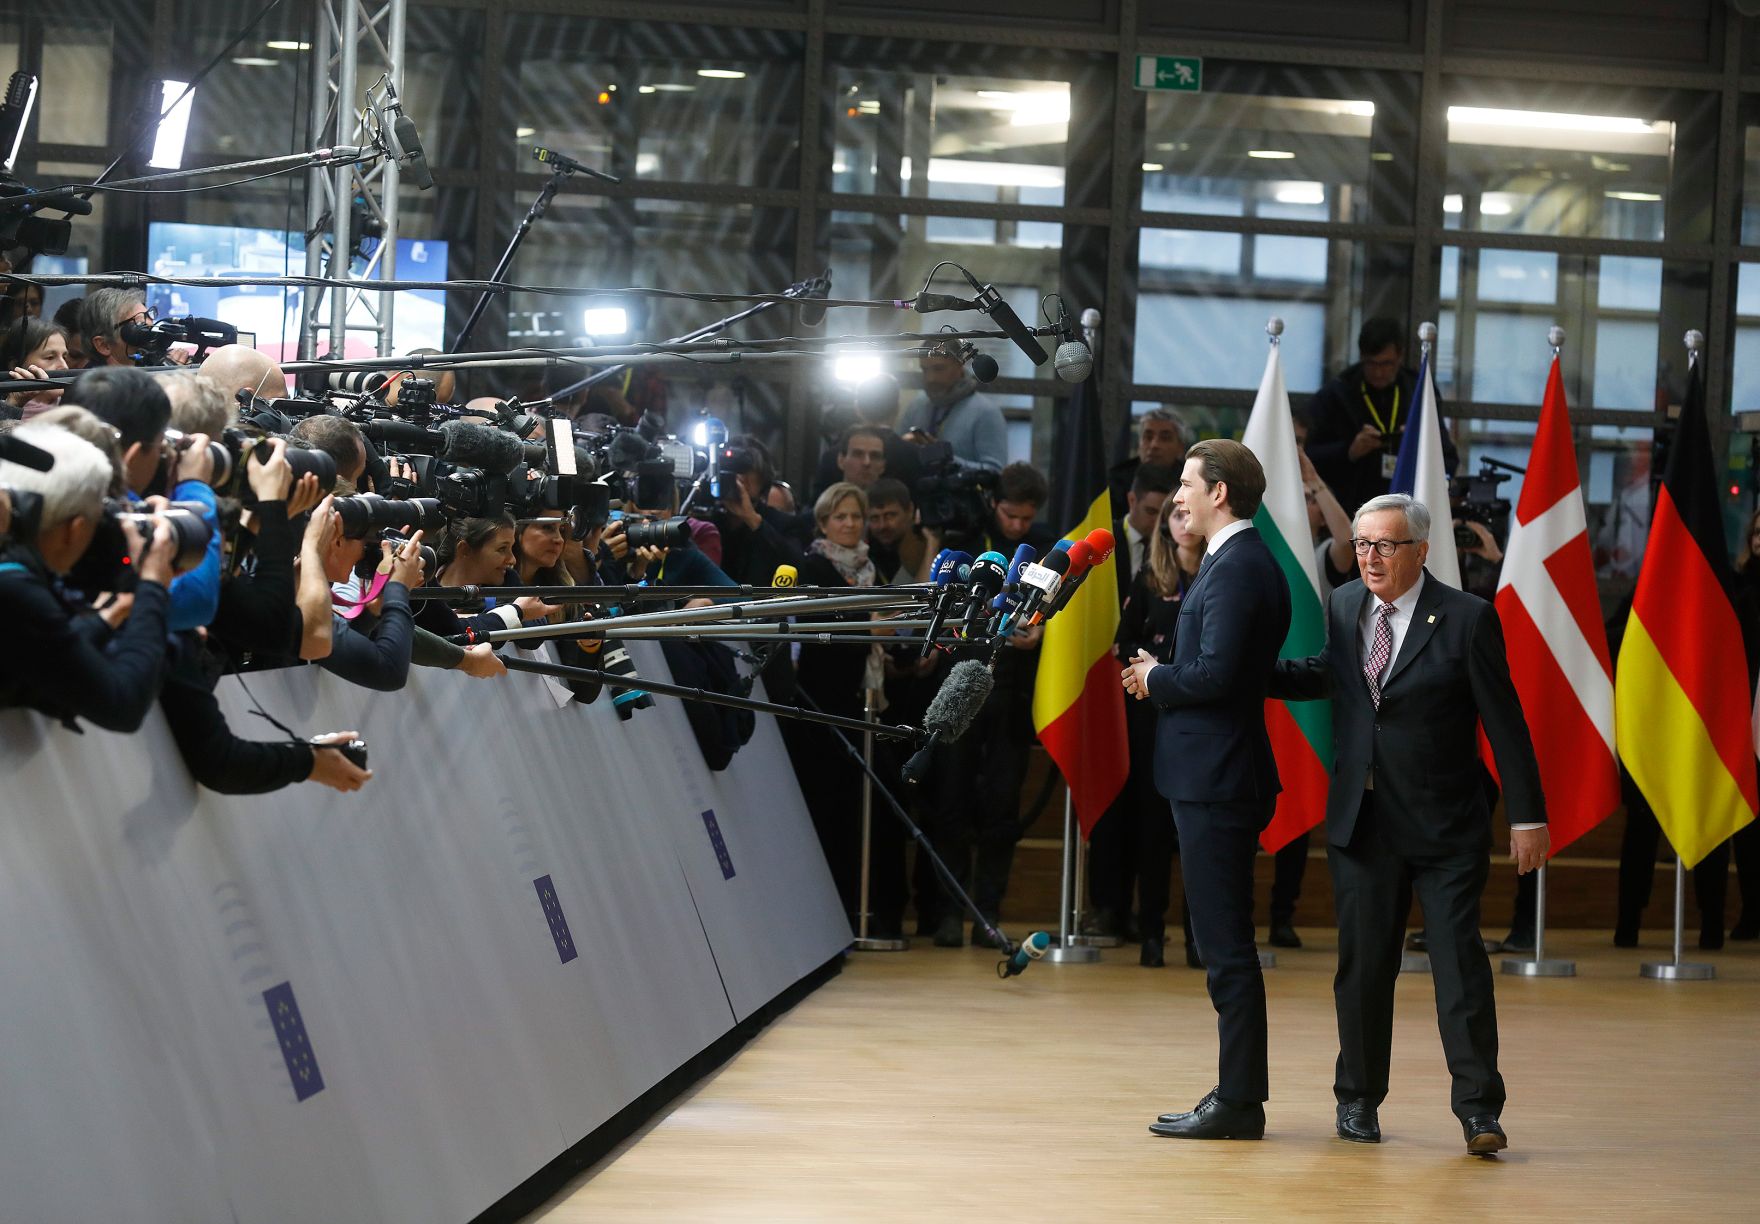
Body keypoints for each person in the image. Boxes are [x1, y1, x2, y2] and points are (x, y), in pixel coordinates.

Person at [1266, 492, 1546, 1155]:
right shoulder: (1342, 605)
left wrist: (1528, 816)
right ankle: (1357, 1102)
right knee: (1362, 972)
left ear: (1420, 550)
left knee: (1459, 969)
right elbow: (1329, 678)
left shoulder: (1469, 618)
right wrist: (1244, 672)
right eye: (1362, 544)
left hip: (1446, 826)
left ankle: (1479, 1111)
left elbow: (1505, 725)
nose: (1369, 557)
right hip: (1363, 826)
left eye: (1385, 545)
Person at [1121, 438, 1290, 1141]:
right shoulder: (1233, 563)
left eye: (1188, 483)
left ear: (1220, 492)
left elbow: (1217, 677)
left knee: (1225, 949)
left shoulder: (1237, 567)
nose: (1177, 496)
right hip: (1214, 775)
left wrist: (1155, 677)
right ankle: (1237, 1094)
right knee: (1221, 944)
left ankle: (1240, 1103)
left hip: (1220, 779)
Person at [922, 461, 1055, 947]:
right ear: (993, 503)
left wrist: (1040, 631)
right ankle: (946, 914)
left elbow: (1054, 609)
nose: (1017, 526)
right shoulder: (968, 538)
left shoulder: (1044, 546)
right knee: (951, 802)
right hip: (960, 679)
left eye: (1026, 518)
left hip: (1013, 692)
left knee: (1001, 808)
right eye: (1009, 515)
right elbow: (939, 598)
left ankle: (987, 912)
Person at [0, 423, 178, 730]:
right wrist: (153, 586)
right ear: (76, 528)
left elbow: (47, 655)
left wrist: (108, 617)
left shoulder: (13, 573)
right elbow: (123, 703)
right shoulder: (14, 589)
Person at [784, 481, 887, 925]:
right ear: (823, 522)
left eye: (856, 516)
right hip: (818, 702)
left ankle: (848, 909)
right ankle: (819, 914)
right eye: (840, 516)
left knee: (853, 812)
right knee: (821, 806)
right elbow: (823, 626)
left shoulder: (869, 568)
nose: (849, 524)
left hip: (858, 700)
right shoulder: (811, 566)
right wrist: (872, 625)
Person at [1110, 496, 1205, 969]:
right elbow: (1123, 642)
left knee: (1196, 836)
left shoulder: (1218, 576)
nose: (1184, 522)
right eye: (1176, 515)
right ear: (1165, 525)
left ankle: (1196, 937)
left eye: (1190, 512)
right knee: (1152, 828)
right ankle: (1151, 932)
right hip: (1152, 716)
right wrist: (1156, 669)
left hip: (1203, 717)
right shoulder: (1148, 581)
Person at [1304, 318, 1456, 514]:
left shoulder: (1418, 390)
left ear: (1400, 356)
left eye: (1386, 364)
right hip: (1352, 506)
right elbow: (1311, 455)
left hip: (1410, 506)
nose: (1378, 372)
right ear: (1361, 356)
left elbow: (1447, 456)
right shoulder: (1338, 393)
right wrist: (1349, 451)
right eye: (1371, 364)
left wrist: (1416, 443)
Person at [897, 348, 1007, 471]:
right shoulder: (918, 404)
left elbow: (995, 471)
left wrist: (947, 461)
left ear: (960, 364)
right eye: (925, 370)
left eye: (939, 369)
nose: (930, 378)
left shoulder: (986, 412)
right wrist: (905, 446)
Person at [1108, 408, 1187, 520]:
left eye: (1165, 438)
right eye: (1148, 437)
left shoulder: (1190, 480)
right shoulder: (1116, 480)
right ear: (1139, 443)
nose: (1154, 445)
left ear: (1180, 447)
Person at [865, 477, 938, 585]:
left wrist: (933, 542)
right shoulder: (865, 552)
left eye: (890, 515)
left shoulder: (926, 541)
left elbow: (927, 595)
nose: (882, 526)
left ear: (910, 510)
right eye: (875, 518)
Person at [3, 317, 70, 418]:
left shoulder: (76, 409)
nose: (64, 366)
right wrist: (13, 405)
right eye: (50, 357)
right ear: (16, 366)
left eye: (64, 357)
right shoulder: (4, 412)